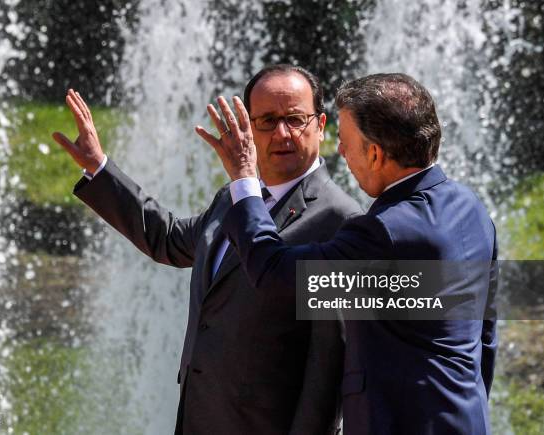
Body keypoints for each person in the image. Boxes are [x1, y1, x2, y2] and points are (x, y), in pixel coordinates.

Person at [52, 65, 362, 434]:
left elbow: (328, 369)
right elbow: (168, 239)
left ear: (320, 124)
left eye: (295, 119)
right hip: (201, 416)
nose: (282, 133)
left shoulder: (340, 220)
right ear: (247, 127)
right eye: (266, 120)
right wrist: (98, 167)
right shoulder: (235, 198)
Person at [198, 73, 498, 435]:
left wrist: (245, 179)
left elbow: (273, 273)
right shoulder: (470, 207)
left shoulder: (383, 232)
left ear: (374, 152)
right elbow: (485, 335)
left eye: (344, 142)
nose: (340, 152)